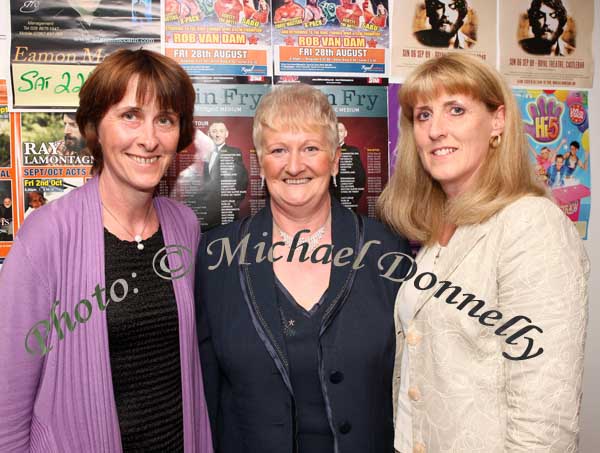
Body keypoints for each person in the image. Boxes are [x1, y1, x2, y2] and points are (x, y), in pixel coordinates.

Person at [0, 49, 212, 452]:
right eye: (130, 115)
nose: (148, 139)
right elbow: (6, 409)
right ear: (96, 126)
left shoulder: (184, 226)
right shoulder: (46, 236)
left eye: (164, 119)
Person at [377, 53, 589, 452]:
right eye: (423, 115)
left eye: (455, 109)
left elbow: (546, 416)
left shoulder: (530, 224)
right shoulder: (439, 231)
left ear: (498, 121)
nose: (435, 130)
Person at [196, 84, 410, 453]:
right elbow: (207, 390)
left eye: (310, 148)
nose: (294, 166)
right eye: (279, 150)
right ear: (260, 161)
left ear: (335, 157)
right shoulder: (217, 257)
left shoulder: (386, 250)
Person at [200, 121, 249, 230]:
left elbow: (243, 180)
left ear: (226, 134)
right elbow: (206, 180)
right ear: (209, 134)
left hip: (226, 211)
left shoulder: (234, 152)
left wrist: (233, 204)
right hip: (209, 213)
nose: (217, 134)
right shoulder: (207, 155)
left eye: (221, 131)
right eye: (214, 131)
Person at [333, 121, 366, 211]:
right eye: (335, 131)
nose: (338, 134)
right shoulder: (326, 151)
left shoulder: (353, 151)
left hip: (347, 201)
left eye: (340, 131)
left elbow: (360, 178)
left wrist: (352, 199)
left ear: (345, 133)